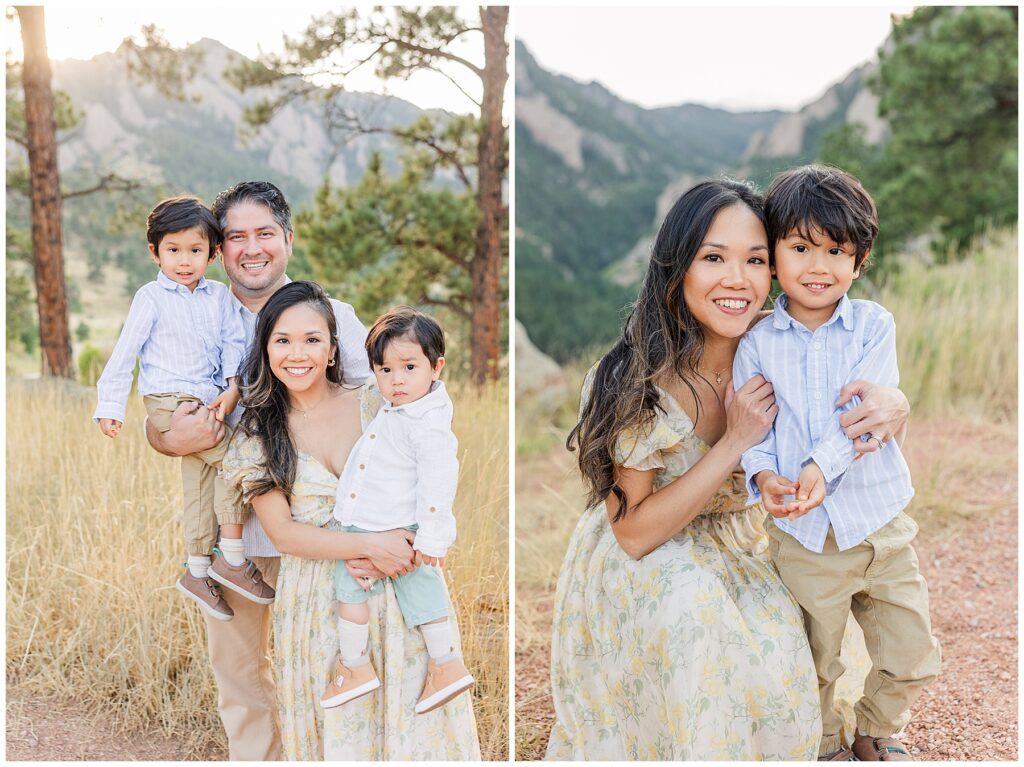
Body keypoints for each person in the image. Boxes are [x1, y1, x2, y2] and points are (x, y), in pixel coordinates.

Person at [546, 179, 910, 760]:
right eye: (713, 258)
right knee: (696, 615)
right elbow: (632, 534)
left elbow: (858, 409)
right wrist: (733, 443)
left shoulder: (783, 345)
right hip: (648, 554)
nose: (736, 280)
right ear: (677, 267)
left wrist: (897, 403)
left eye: (756, 260)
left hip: (740, 544)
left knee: (788, 660)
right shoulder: (636, 380)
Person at [144, 181, 372, 760]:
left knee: (328, 663)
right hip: (233, 539)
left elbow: (381, 414)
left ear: (288, 241)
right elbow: (162, 413)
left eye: (265, 233)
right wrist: (164, 436)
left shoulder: (333, 316)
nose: (252, 248)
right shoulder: (195, 312)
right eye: (236, 236)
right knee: (241, 677)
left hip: (322, 528)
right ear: (218, 250)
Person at [222, 281, 480, 760]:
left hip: (401, 582)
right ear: (265, 347)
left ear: (333, 348)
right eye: (282, 340)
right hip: (320, 600)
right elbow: (283, 533)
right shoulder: (259, 432)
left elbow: (431, 471)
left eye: (312, 339)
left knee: (414, 726)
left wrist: (402, 546)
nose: (297, 354)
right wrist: (371, 547)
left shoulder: (377, 401)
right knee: (342, 731)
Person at [734, 165, 940, 761]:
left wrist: (821, 470)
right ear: (773, 255)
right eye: (800, 248)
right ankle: (822, 743)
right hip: (804, 537)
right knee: (814, 659)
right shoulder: (758, 342)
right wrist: (766, 475)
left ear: (860, 258)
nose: (818, 266)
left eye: (835, 250)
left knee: (911, 648)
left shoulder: (874, 326)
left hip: (881, 523)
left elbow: (865, 419)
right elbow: (757, 432)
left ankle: (877, 729)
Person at [94, 195, 273, 620]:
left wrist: (232, 388)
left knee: (199, 483)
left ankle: (196, 569)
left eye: (195, 250)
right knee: (240, 458)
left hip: (210, 398)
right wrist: (111, 406)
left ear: (212, 253)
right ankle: (230, 555)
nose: (185, 260)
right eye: (173, 250)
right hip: (168, 402)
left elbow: (234, 343)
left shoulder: (218, 298)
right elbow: (126, 352)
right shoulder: (151, 299)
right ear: (154, 252)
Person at [323, 307, 474, 714]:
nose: (397, 380)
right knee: (351, 588)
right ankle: (357, 665)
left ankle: (444, 662)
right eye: (385, 370)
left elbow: (439, 482)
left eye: (409, 367)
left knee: (420, 585)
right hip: (366, 522)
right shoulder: (399, 408)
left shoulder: (427, 423)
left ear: (435, 366)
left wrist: (433, 536)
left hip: (396, 525)